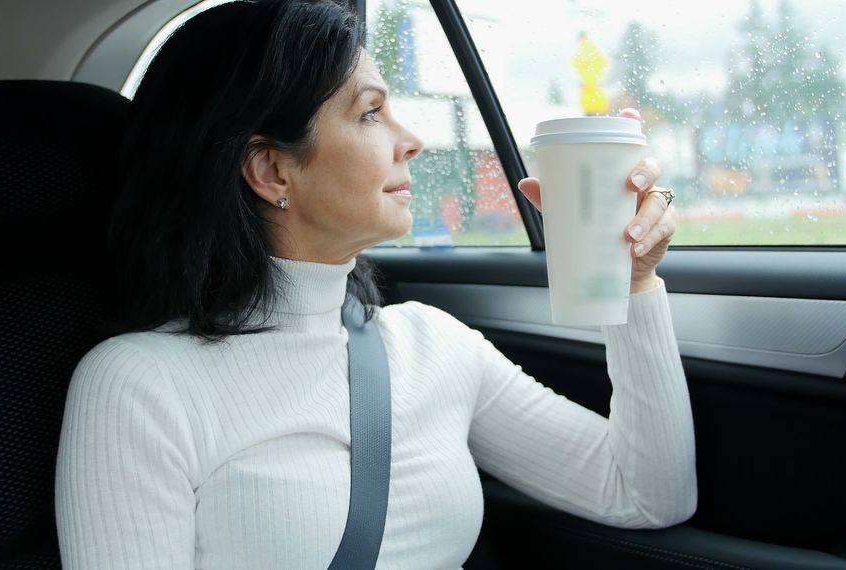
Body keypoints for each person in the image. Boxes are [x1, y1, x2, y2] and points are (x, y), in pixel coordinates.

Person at [54, 0, 695, 568]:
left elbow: (645, 496)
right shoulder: (139, 387)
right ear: (273, 169)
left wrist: (633, 281)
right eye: (369, 114)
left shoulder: (435, 344)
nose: (412, 140)